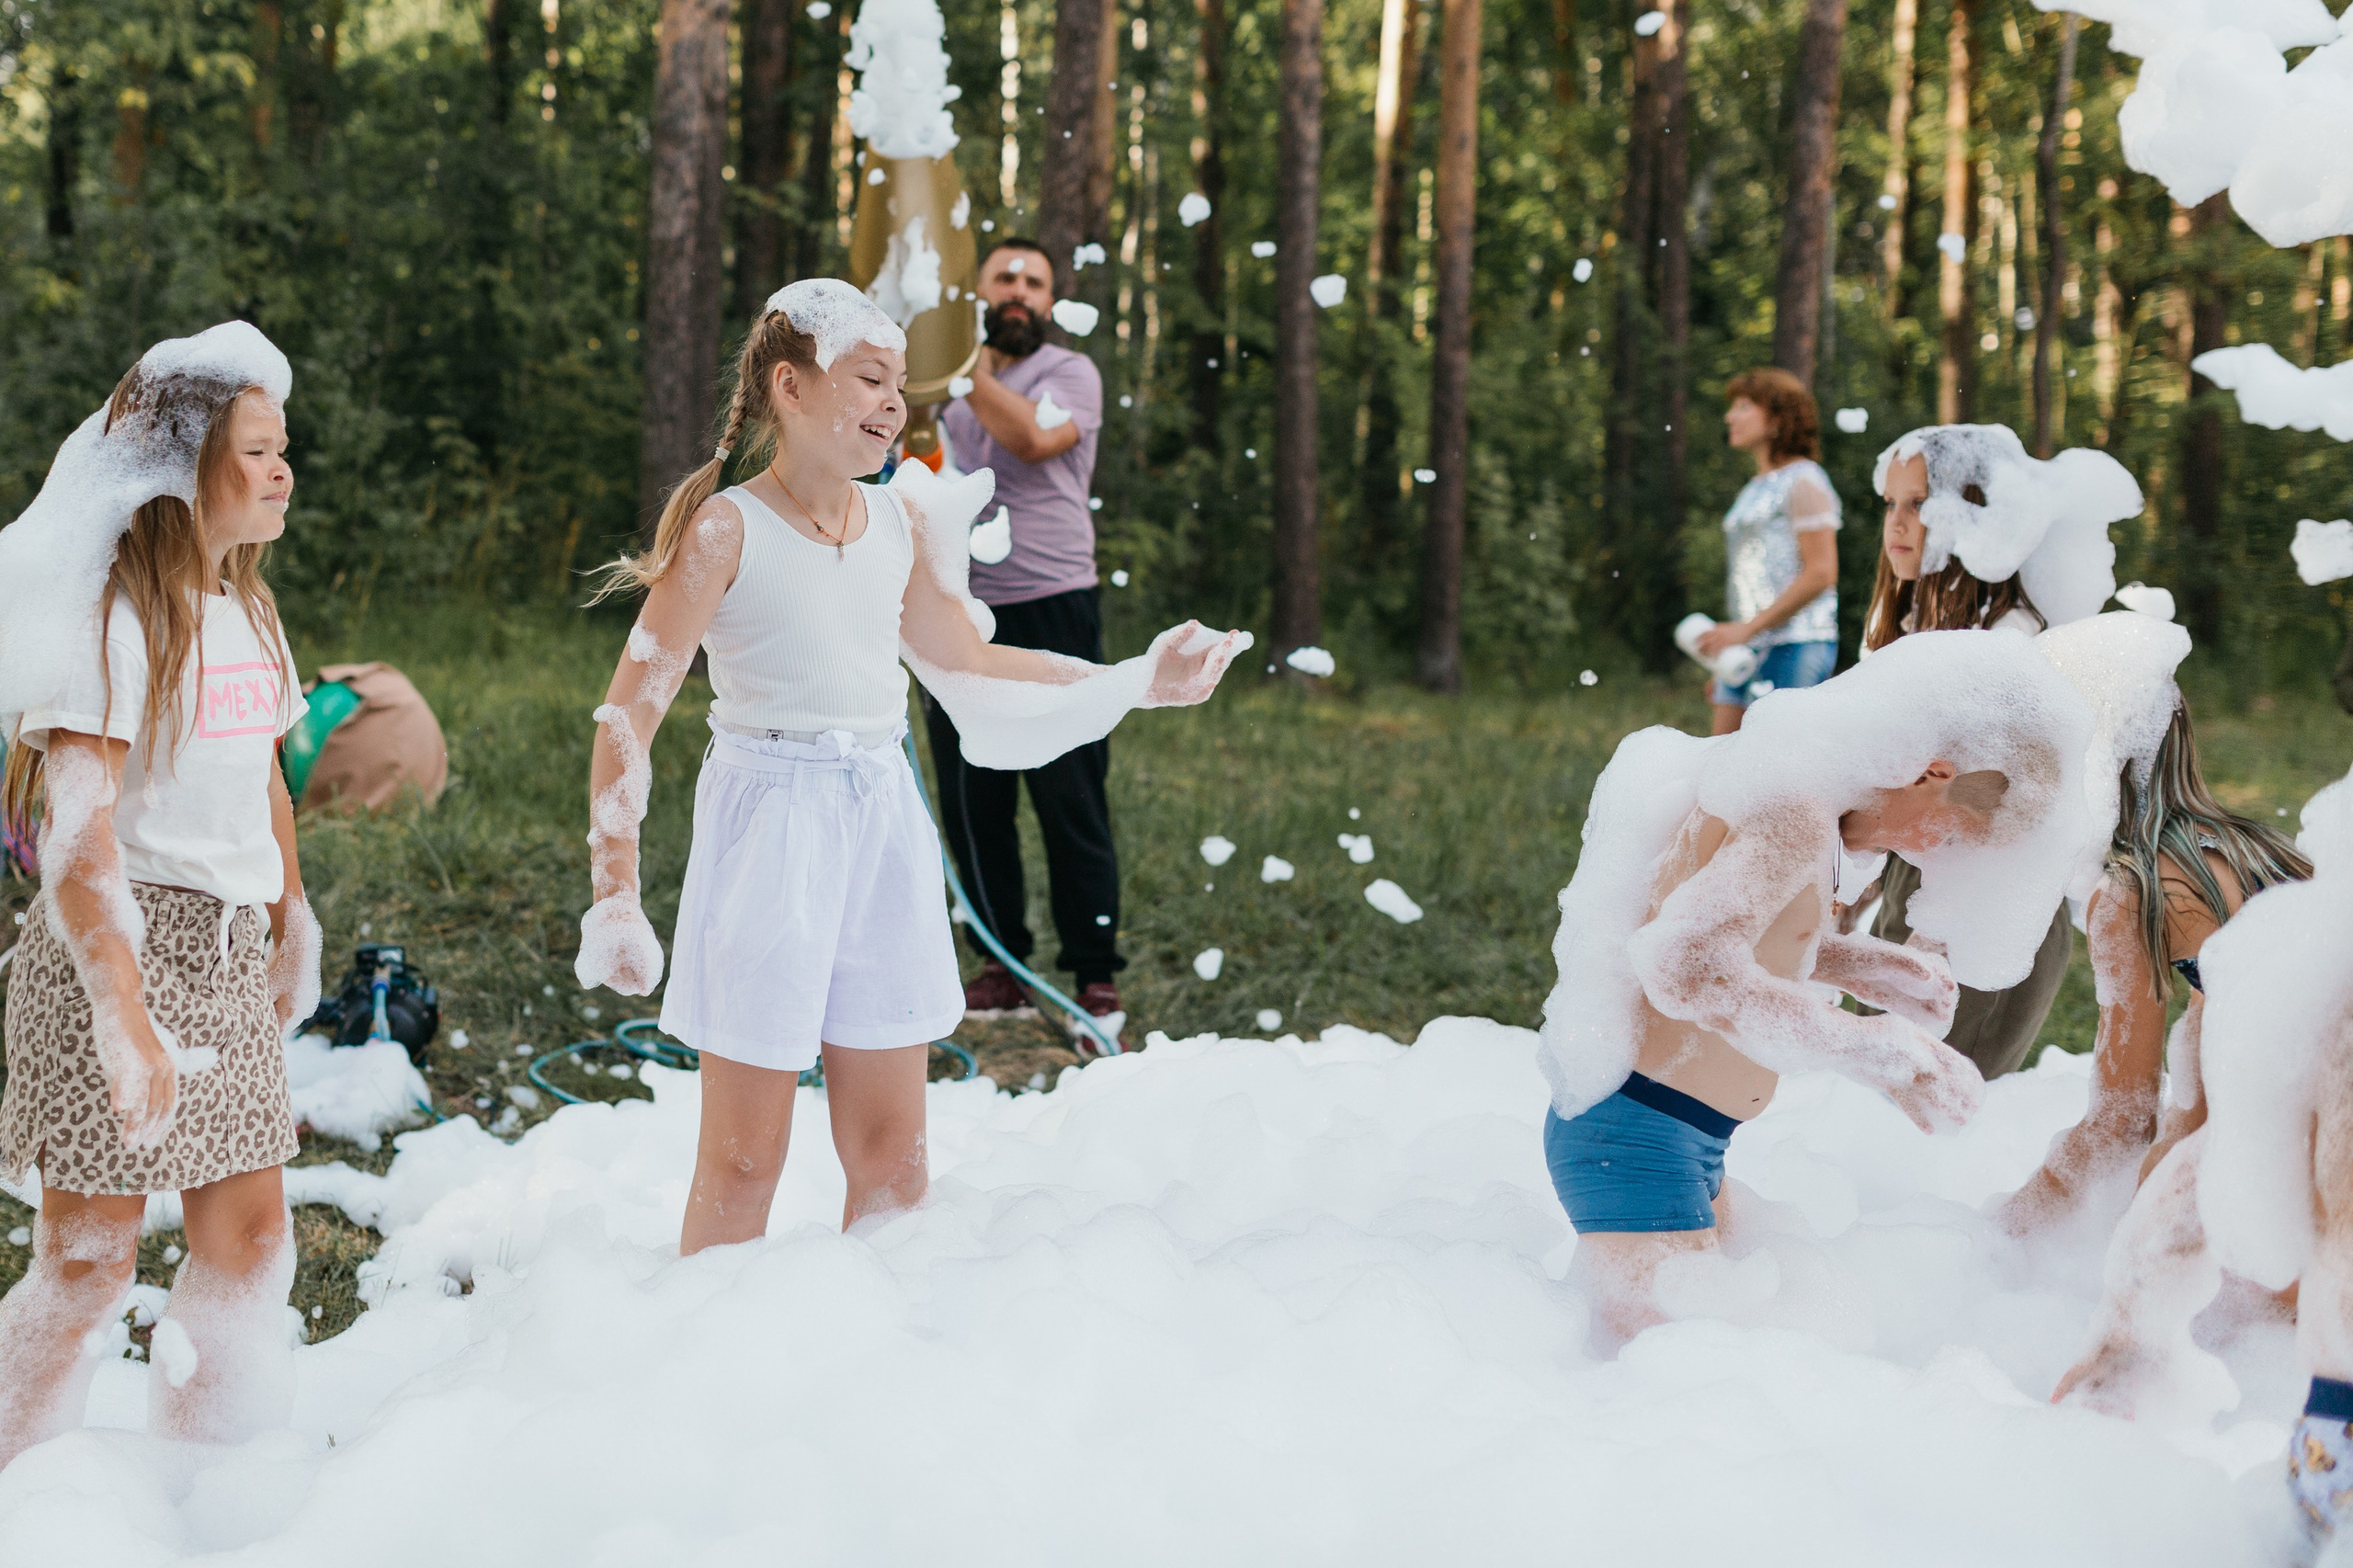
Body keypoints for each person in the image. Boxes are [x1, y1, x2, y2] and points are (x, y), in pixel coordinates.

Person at [572, 279, 1246, 1257]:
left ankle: (872, 1357)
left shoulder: (898, 523)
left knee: (894, 1159)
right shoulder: (728, 528)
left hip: (879, 825)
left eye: (898, 382)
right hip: (772, 829)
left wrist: (1135, 678)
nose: (893, 402)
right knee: (744, 1161)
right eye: (868, 378)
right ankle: (706, 1368)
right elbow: (627, 714)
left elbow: (970, 662)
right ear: (792, 389)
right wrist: (615, 889)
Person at [1538, 629, 2094, 1346]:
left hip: (1686, 1136)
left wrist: (1868, 967)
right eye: (1950, 837)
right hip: (1635, 1137)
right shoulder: (1790, 813)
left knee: (1729, 1368)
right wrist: (1873, 1046)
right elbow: (1685, 965)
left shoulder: (1814, 815)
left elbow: (1751, 939)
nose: (1932, 858)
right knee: (1672, 1388)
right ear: (1930, 773)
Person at [0, 324, 323, 1470]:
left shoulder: (249, 609)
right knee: (88, 1260)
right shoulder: (112, 625)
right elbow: (77, 840)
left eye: (285, 447)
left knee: (249, 1238)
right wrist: (119, 1008)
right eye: (258, 448)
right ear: (179, 467)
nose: (284, 469)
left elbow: (267, 782)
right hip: (118, 951)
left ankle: (204, 1484)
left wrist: (293, 914)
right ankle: (20, 1486)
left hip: (226, 956)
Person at [1995, 695, 2310, 1236]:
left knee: (2157, 1221)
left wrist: (2002, 1235)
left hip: (2303, 1115)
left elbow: (2122, 1121)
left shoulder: (2132, 894)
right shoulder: (2261, 849)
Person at [929, 236, 1125, 1039]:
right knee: (975, 801)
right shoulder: (942, 392)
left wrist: (956, 366)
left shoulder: (1068, 374)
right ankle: (998, 966)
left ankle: (1096, 980)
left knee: (1069, 795)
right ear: (979, 292)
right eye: (1004, 277)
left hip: (1053, 605)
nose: (1018, 290)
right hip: (954, 616)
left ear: (1051, 302)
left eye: (1033, 282)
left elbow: (1033, 441)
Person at [1852, 434, 2063, 1081]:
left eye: (1918, 504)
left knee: (1927, 1101)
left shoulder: (2014, 639)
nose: (1898, 522)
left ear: (1973, 515)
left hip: (1988, 902)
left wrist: (1941, 788)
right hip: (1914, 878)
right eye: (1891, 503)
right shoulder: (1913, 623)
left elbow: (2031, 796)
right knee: (1865, 1091)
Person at [1692, 369, 1842, 735]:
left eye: (1744, 406)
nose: (1730, 416)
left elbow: (1822, 573)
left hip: (1796, 644)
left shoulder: (1804, 480)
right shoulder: (1754, 488)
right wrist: (1739, 642)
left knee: (1780, 781)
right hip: (1747, 649)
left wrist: (1748, 629)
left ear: (1778, 419)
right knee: (1720, 767)